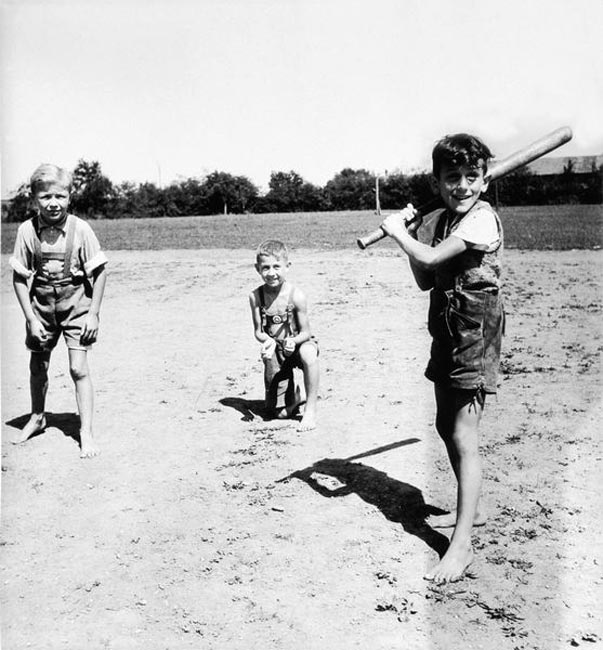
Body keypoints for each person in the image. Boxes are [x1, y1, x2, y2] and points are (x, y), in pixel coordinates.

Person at [380, 133, 504, 584]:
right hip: (448, 330)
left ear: (485, 180)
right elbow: (425, 276)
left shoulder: (482, 220)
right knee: (443, 425)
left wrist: (397, 235)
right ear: (438, 180)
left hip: (474, 334)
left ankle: (463, 545)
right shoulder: (445, 220)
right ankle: (474, 510)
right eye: (453, 178)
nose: (464, 186)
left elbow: (431, 258)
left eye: (473, 177)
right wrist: (410, 233)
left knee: (463, 433)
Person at [9, 164, 108, 458]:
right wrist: (30, 318)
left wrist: (94, 313)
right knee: (38, 366)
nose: (53, 203)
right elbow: (18, 276)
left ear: (70, 197)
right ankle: (37, 417)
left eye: (60, 196)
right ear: (34, 198)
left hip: (77, 303)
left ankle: (85, 432)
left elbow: (100, 272)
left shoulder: (82, 229)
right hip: (40, 305)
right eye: (45, 197)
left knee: (78, 368)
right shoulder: (27, 230)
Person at [249, 240, 319, 431]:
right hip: (277, 350)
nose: (271, 273)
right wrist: (267, 342)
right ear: (257, 269)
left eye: (276, 267)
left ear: (287, 267)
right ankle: (296, 397)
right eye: (265, 268)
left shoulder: (297, 295)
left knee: (309, 355)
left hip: (298, 343)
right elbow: (258, 331)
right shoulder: (256, 297)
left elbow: (306, 332)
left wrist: (294, 341)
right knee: (278, 414)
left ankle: (310, 411)